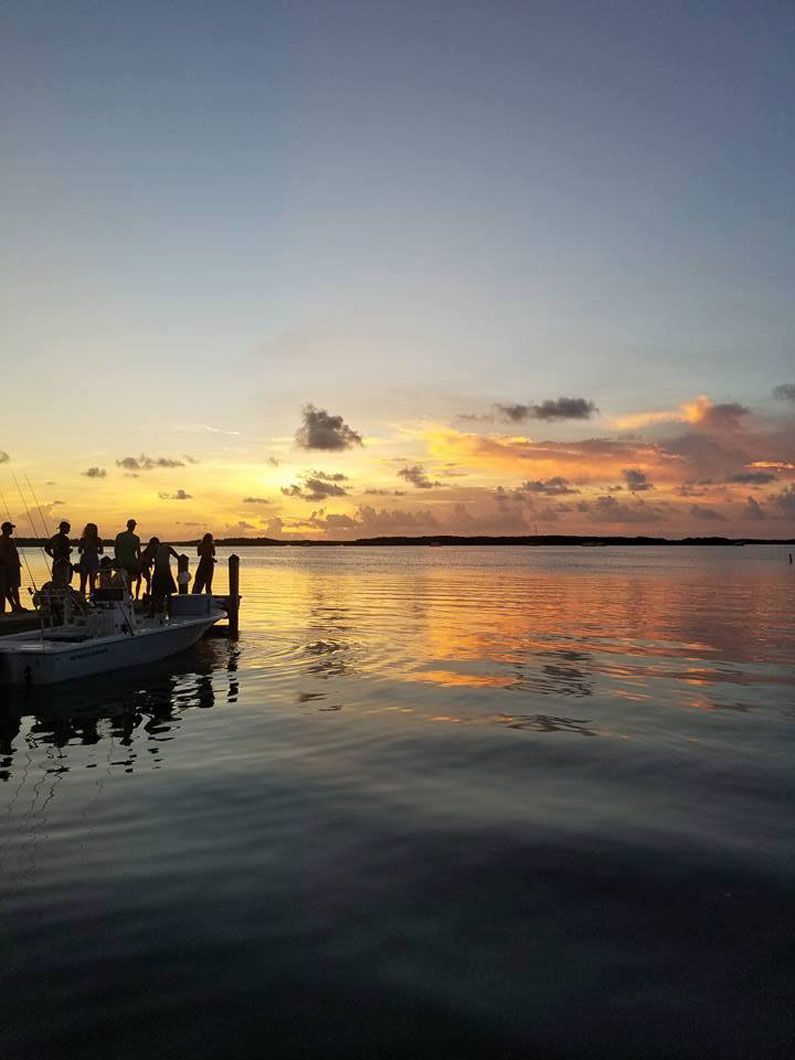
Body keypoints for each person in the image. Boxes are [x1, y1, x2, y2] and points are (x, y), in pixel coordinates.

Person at [0, 521, 24, 612]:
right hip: (11, 567)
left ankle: (14, 606)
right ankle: (17, 606)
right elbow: (4, 554)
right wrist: (9, 564)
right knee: (14, 587)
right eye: (10, 528)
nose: (12, 530)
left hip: (9, 567)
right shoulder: (6, 540)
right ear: (6, 529)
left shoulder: (6, 540)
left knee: (7, 588)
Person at [151, 537, 180, 610]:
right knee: (168, 592)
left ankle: (155, 609)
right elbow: (177, 557)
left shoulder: (154, 548)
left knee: (156, 593)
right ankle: (170, 609)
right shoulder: (167, 547)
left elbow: (148, 558)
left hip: (158, 572)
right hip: (167, 572)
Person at [114, 518, 141, 593]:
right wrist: (139, 564)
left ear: (127, 526)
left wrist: (118, 559)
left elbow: (116, 550)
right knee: (129, 581)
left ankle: (125, 596)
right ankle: (128, 595)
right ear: (133, 527)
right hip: (131, 563)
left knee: (123, 580)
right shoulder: (136, 538)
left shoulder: (119, 536)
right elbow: (138, 553)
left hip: (122, 562)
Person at [77, 523, 103, 596]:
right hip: (84, 561)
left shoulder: (98, 540)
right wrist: (83, 547)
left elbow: (101, 552)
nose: (91, 531)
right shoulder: (83, 540)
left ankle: (92, 599)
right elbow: (79, 551)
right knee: (83, 583)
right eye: (89, 529)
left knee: (92, 583)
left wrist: (95, 549)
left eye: (92, 529)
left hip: (94, 561)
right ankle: (82, 599)